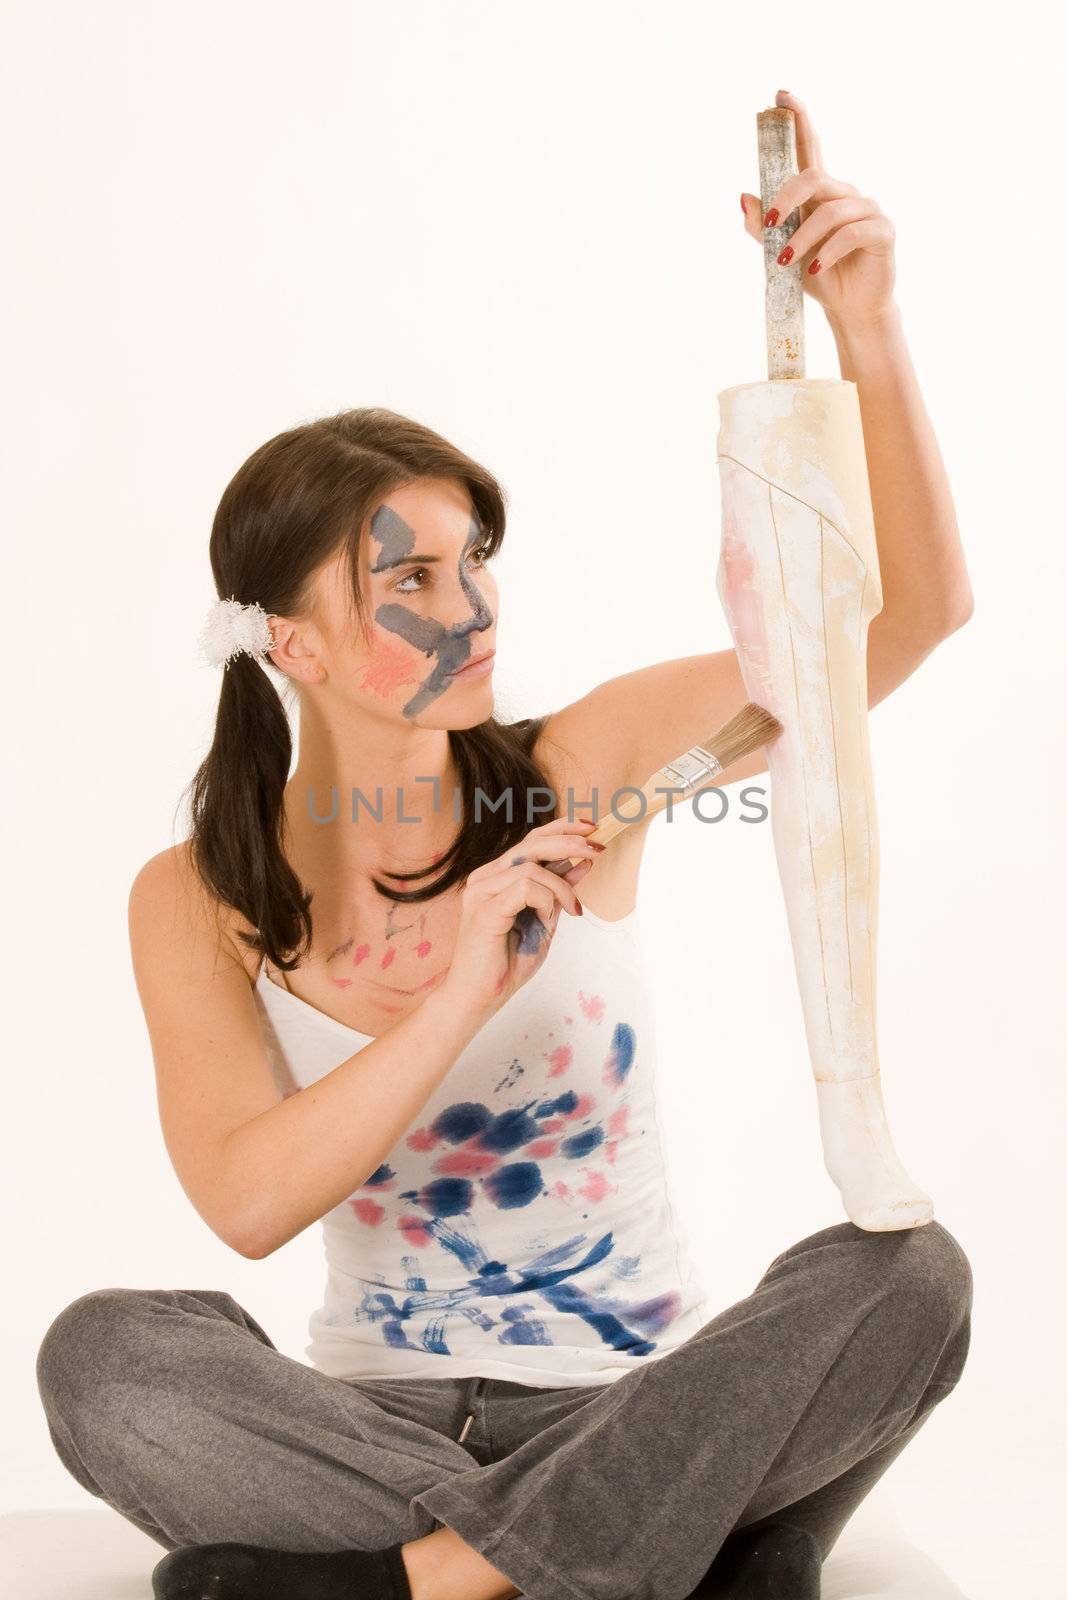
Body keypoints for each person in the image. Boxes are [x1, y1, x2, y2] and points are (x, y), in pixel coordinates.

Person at [35, 97, 975, 1600]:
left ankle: (416, 1583)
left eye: (476, 561)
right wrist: (466, 980)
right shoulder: (197, 897)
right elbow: (249, 1203)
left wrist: (870, 328)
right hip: (365, 1413)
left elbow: (900, 627)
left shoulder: (581, 764)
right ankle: (678, 1550)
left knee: (906, 1280)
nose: (470, 608)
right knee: (107, 1357)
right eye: (408, 574)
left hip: (640, 1393)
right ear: (291, 640)